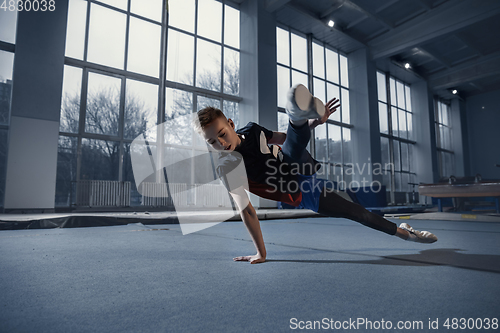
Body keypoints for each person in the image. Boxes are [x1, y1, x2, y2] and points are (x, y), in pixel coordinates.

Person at [195, 84, 437, 264]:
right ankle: (407, 234)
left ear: (231, 123)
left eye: (222, 133)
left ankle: (297, 116)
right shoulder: (227, 167)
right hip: (299, 191)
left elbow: (283, 140)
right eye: (212, 142)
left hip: (296, 162)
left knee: (290, 151)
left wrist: (314, 124)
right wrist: (261, 252)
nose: (220, 143)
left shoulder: (253, 129)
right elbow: (246, 210)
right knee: (358, 213)